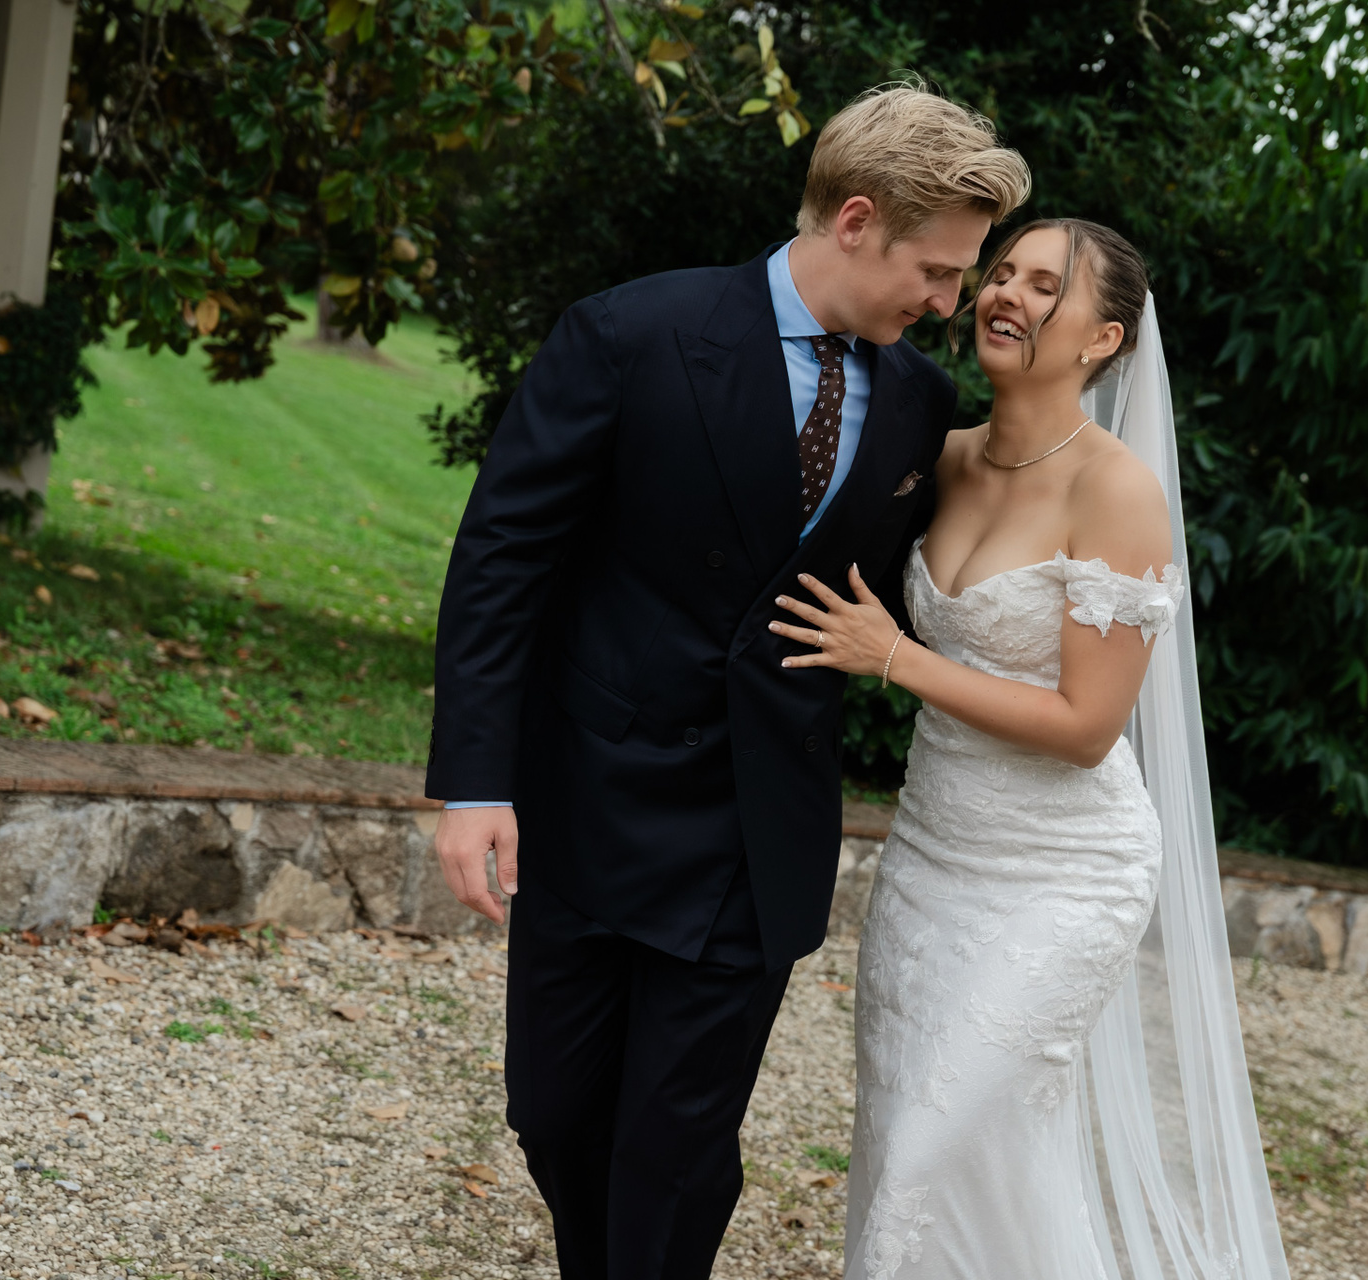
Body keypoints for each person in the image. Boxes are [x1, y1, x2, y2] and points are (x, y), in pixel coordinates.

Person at [424, 84, 1031, 1280]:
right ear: (855, 220)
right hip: (594, 793)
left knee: (679, 1145)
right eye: (937, 270)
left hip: (759, 830)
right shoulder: (630, 333)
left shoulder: (920, 401)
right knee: (554, 1112)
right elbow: (503, 559)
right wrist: (476, 782)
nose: (947, 303)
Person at [777, 220, 1291, 1278]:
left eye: (1045, 285)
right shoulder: (944, 456)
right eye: (1002, 271)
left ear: (1103, 339)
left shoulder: (1116, 491)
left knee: (935, 1144)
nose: (1006, 292)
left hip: (1063, 871)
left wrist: (895, 658)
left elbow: (1086, 726)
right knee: (920, 1137)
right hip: (930, 861)